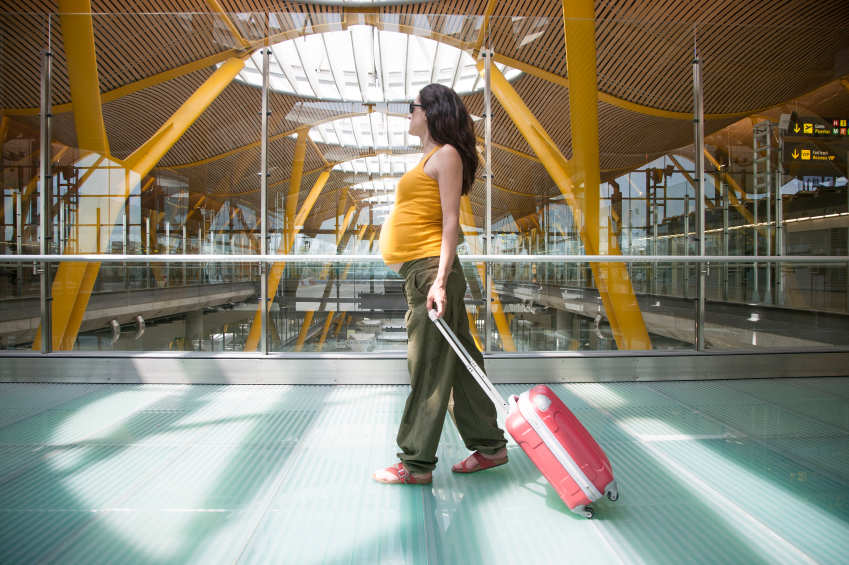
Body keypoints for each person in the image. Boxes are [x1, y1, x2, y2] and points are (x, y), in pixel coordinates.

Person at [372, 84, 508, 486]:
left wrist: (440, 281)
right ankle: (490, 447)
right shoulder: (430, 157)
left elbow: (451, 221)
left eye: (411, 107)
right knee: (461, 364)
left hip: (431, 272)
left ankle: (415, 464)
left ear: (430, 112)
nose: (408, 114)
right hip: (423, 272)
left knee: (428, 365)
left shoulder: (447, 154)